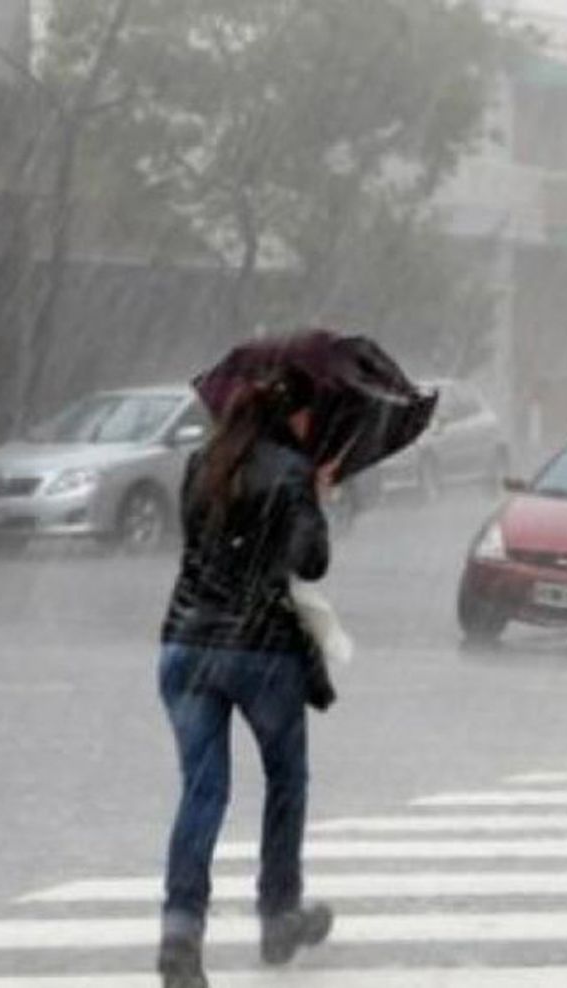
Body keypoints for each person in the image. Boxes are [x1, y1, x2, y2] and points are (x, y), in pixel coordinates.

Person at [156, 366, 336, 988]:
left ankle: (180, 930)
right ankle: (278, 914)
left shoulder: (199, 465)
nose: (314, 428)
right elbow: (310, 561)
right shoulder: (290, 472)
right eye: (311, 417)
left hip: (185, 644)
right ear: (293, 416)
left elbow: (203, 548)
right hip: (260, 650)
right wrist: (315, 495)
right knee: (286, 780)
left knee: (202, 792)